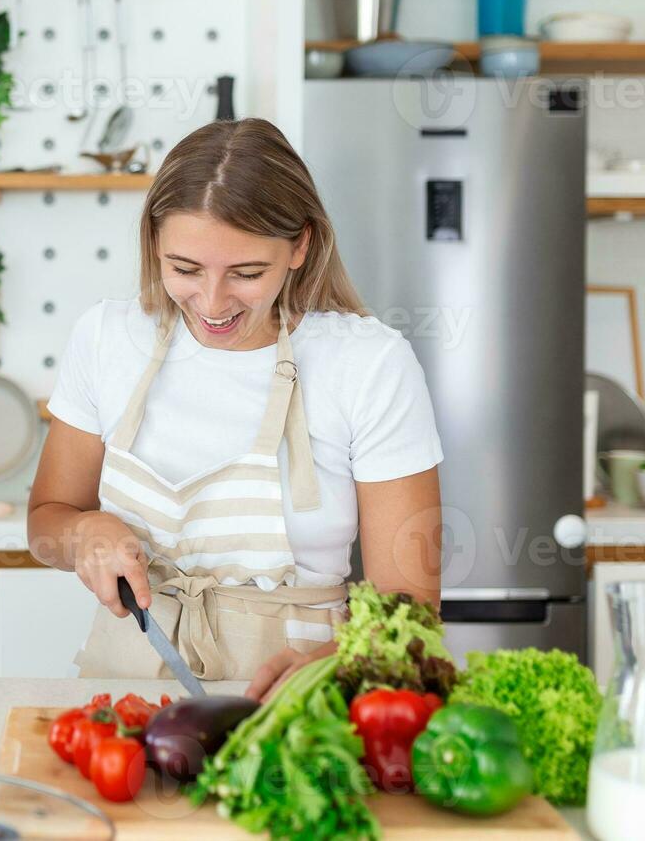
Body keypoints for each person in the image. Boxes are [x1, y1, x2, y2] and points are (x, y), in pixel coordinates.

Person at [28, 118, 443, 700]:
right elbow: (44, 524)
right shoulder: (104, 337)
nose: (214, 303)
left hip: (296, 705)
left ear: (300, 245)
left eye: (247, 273)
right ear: (153, 244)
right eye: (185, 269)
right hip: (123, 695)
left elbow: (410, 618)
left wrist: (332, 667)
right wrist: (81, 532)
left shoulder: (369, 363)